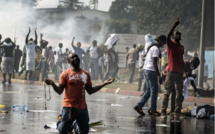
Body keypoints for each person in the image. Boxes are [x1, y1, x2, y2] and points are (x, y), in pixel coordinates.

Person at [44, 53, 115, 134]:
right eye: (72, 58)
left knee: (84, 131)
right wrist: (52, 84)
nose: (75, 58)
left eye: (76, 57)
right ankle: (60, 121)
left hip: (82, 108)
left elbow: (90, 90)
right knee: (63, 131)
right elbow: (60, 91)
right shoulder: (65, 74)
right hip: (69, 107)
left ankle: (74, 123)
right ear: (69, 62)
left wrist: (104, 83)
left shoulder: (85, 74)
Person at [134, 35, 167, 116]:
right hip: (151, 71)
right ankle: (152, 109)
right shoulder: (155, 49)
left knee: (149, 90)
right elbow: (155, 63)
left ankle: (139, 105)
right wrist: (159, 76)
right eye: (164, 42)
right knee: (154, 91)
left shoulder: (153, 47)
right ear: (161, 41)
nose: (164, 44)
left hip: (147, 70)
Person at [161, 18, 184, 119]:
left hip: (180, 73)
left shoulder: (181, 47)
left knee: (179, 93)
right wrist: (174, 25)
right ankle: (163, 110)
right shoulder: (170, 44)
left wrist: (185, 72)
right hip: (171, 72)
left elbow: (181, 59)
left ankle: (177, 111)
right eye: (177, 34)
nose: (179, 35)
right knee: (167, 92)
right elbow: (167, 36)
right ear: (173, 36)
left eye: (180, 34)